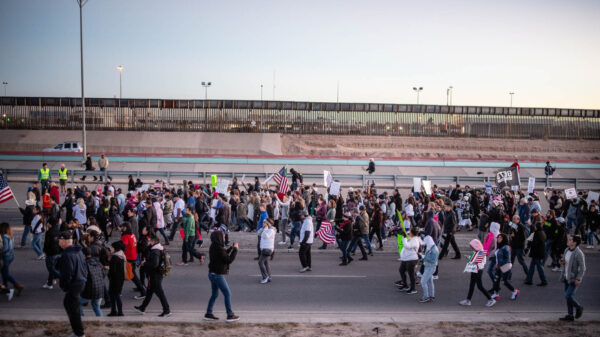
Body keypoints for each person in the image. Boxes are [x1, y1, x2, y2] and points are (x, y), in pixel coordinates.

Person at [204, 231, 239, 322]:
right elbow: (228, 260)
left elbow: (223, 254)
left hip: (212, 274)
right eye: (223, 237)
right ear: (219, 237)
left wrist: (231, 248)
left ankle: (208, 313)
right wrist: (235, 249)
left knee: (215, 294)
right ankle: (230, 315)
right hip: (217, 275)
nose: (224, 238)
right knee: (227, 294)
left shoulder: (214, 246)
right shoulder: (219, 248)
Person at [58, 231, 88, 337]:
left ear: (64, 241)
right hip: (80, 282)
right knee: (69, 305)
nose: (58, 242)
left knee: (73, 309)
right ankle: (77, 331)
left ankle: (79, 333)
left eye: (59, 240)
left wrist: (64, 286)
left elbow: (67, 274)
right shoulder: (78, 251)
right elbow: (85, 267)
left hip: (74, 285)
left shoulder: (67, 254)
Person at [134, 235, 171, 317]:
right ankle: (142, 308)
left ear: (153, 242)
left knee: (160, 293)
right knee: (149, 291)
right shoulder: (158, 248)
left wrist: (145, 263)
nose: (148, 243)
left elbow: (154, 264)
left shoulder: (155, 251)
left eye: (149, 241)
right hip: (156, 274)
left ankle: (166, 310)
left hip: (155, 275)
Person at [459, 239, 496, 307]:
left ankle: (490, 299)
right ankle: (468, 300)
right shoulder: (478, 251)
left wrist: (470, 258)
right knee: (472, 285)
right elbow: (475, 260)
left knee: (479, 286)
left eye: (472, 247)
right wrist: (470, 257)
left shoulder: (481, 252)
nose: (472, 249)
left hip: (477, 270)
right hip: (475, 269)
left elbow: (477, 261)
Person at [558, 235, 586, 321]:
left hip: (574, 279)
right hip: (566, 277)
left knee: (568, 295)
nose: (568, 240)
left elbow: (583, 268)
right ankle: (570, 315)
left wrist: (579, 278)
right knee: (568, 298)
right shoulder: (566, 250)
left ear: (574, 243)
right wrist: (562, 261)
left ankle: (579, 307)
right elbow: (564, 261)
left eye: (570, 240)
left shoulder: (579, 253)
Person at [490, 233, 519, 301]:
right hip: (499, 267)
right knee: (496, 280)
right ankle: (496, 294)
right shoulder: (500, 246)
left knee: (505, 282)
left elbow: (507, 259)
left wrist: (499, 264)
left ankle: (514, 291)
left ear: (504, 239)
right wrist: (497, 264)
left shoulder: (506, 247)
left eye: (500, 238)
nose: (498, 239)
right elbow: (498, 257)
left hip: (505, 267)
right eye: (498, 237)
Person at [120, 222, 146, 299]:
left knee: (132, 276)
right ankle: (118, 291)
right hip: (133, 257)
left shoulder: (125, 236)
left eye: (122, 227)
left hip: (128, 258)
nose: (121, 228)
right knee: (123, 274)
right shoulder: (132, 234)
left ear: (125, 228)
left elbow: (123, 246)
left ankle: (143, 291)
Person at [79, 247, 104, 317]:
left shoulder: (85, 264)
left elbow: (83, 277)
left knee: (77, 303)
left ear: (83, 255)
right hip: (100, 288)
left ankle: (81, 318)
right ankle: (101, 321)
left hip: (90, 289)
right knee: (96, 306)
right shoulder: (98, 262)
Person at [1, 223, 23, 299]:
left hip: (6, 256)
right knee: (4, 272)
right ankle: (4, 286)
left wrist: (1, 250)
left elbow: (5, 248)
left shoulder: (4, 237)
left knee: (5, 273)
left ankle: (18, 285)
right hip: (11, 256)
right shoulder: (10, 236)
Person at [398, 227, 420, 295]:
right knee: (401, 270)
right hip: (406, 258)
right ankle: (405, 285)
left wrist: (404, 237)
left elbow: (407, 246)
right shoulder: (412, 238)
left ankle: (413, 289)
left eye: (410, 232)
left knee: (411, 274)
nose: (409, 233)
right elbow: (406, 236)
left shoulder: (415, 240)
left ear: (412, 233)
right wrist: (402, 233)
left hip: (412, 259)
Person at [525, 222, 548, 286]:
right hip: (538, 253)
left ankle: (544, 281)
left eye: (535, 226)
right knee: (532, 267)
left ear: (537, 227)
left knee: (539, 268)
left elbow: (535, 243)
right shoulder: (542, 232)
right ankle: (529, 280)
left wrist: (530, 244)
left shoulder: (537, 233)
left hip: (537, 253)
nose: (534, 227)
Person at [107, 241, 126, 317]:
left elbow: (112, 270)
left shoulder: (115, 257)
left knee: (114, 295)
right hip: (120, 278)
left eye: (111, 247)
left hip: (115, 279)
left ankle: (116, 311)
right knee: (116, 294)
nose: (110, 248)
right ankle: (116, 311)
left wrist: (109, 275)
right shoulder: (121, 255)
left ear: (115, 248)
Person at [42, 218, 61, 289]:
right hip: (58, 252)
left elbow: (47, 243)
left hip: (50, 253)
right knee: (53, 267)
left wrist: (45, 250)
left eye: (48, 223)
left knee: (51, 268)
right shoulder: (58, 231)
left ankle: (62, 277)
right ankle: (50, 283)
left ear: (50, 224)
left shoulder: (49, 232)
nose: (47, 224)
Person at [420, 235, 439, 303]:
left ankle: (426, 297)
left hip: (430, 267)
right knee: (430, 282)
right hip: (429, 267)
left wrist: (424, 257)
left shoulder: (434, 250)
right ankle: (431, 296)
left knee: (423, 282)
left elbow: (433, 260)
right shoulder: (431, 247)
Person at [258, 219, 276, 283]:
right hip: (265, 249)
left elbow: (265, 236)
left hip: (267, 249)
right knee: (266, 263)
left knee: (260, 262)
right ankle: (269, 277)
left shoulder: (271, 230)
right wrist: (263, 229)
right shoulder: (266, 230)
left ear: (268, 224)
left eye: (264, 222)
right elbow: (259, 233)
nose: (263, 223)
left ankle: (265, 277)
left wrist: (265, 229)